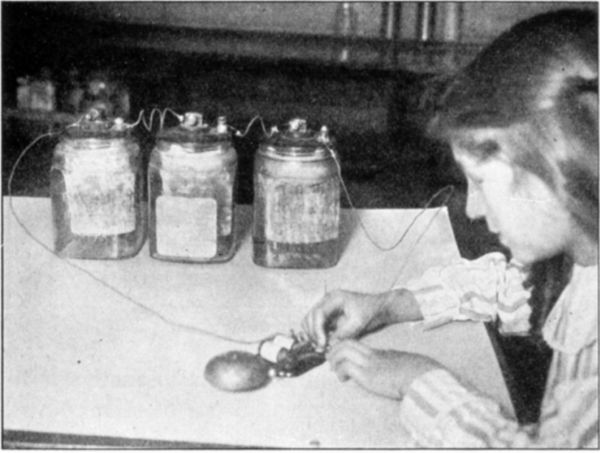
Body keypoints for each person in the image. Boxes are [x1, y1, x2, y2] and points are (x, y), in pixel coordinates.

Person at [302, 9, 598, 448]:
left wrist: (421, 382)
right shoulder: (584, 264)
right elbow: (514, 289)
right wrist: (390, 306)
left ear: (560, 168)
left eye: (481, 182)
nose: (473, 209)